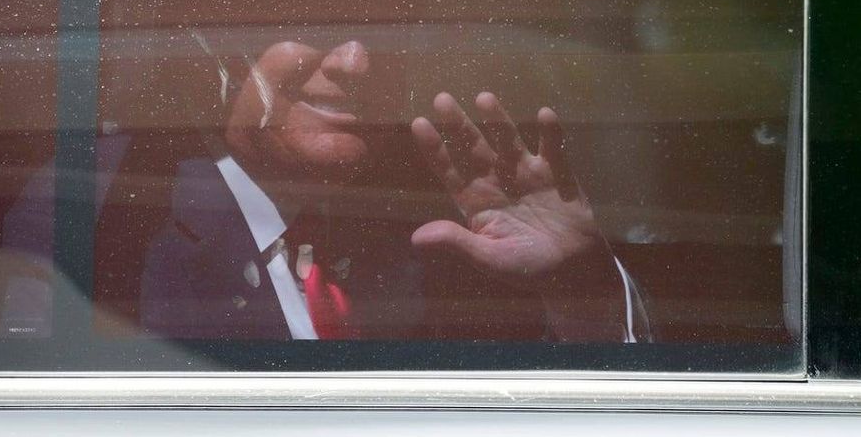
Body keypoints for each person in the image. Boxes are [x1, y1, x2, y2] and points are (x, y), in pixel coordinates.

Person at [141, 37, 650, 342]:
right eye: (316, 15)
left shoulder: (436, 241)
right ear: (218, 47)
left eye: (383, 28)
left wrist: (578, 289)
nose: (357, 61)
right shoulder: (107, 223)